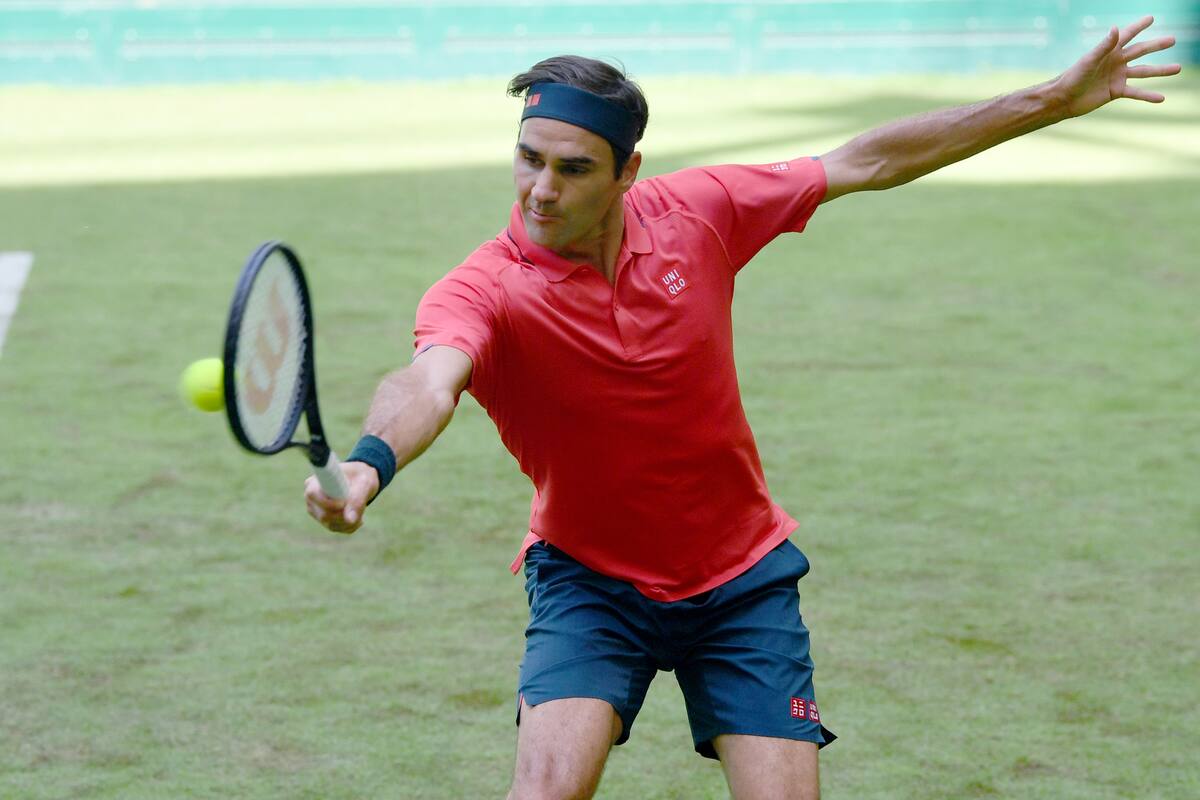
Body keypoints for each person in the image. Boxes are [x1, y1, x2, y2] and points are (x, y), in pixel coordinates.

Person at [305, 17, 1178, 800]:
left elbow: (868, 160)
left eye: (573, 169)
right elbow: (429, 380)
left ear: (626, 172)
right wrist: (368, 464)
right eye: (529, 159)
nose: (540, 190)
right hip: (589, 579)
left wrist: (1053, 101)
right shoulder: (485, 288)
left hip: (740, 579)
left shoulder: (700, 212)